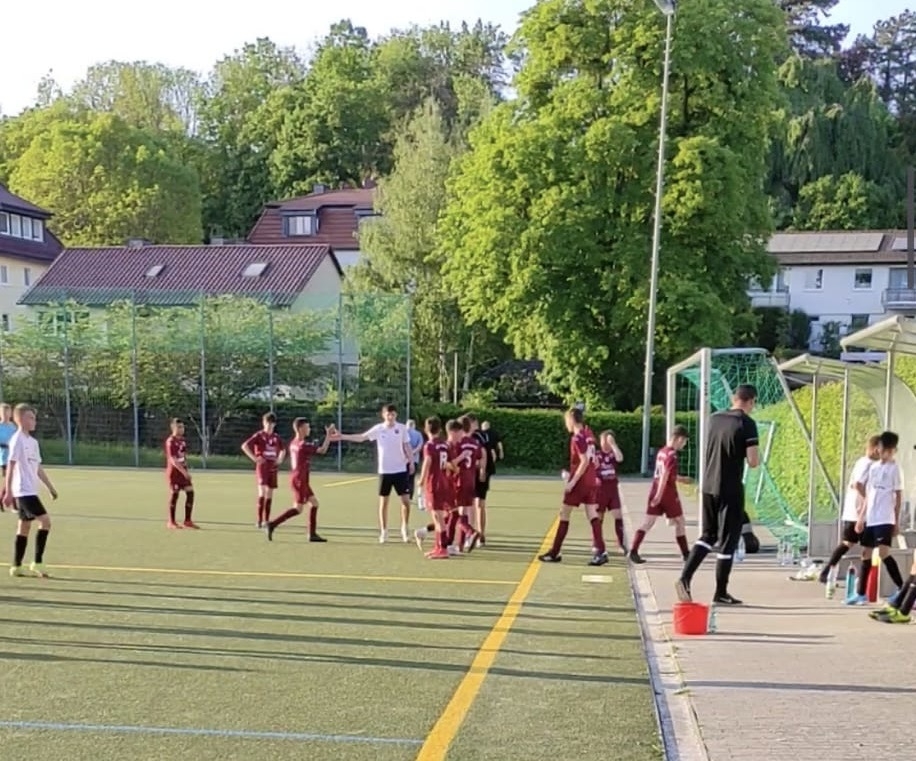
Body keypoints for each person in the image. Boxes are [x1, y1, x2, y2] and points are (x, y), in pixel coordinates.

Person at [676, 385, 760, 605]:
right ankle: (720, 592)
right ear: (751, 401)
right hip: (729, 487)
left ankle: (685, 577)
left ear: (734, 398)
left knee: (708, 535)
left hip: (708, 485)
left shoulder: (714, 419)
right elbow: (753, 461)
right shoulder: (747, 423)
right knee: (727, 541)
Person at [331, 404, 414, 543]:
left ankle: (404, 528)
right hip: (385, 471)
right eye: (388, 414)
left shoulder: (401, 428)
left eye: (393, 414)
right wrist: (342, 436)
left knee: (405, 501)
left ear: (396, 415)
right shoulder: (379, 429)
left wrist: (411, 461)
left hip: (400, 469)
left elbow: (407, 446)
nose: (391, 417)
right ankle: (384, 531)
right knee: (384, 502)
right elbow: (362, 437)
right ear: (383, 415)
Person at [538, 407, 608, 567]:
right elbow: (595, 460)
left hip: (581, 481)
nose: (566, 425)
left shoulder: (577, 438)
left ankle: (555, 552)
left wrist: (572, 481)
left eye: (566, 421)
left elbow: (584, 461)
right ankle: (601, 551)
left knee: (564, 513)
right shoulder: (588, 434)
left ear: (571, 420)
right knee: (592, 514)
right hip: (591, 479)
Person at [845, 430, 904, 606]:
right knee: (866, 553)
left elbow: (898, 496)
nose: (884, 453)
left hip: (885, 518)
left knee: (884, 553)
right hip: (871, 517)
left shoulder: (895, 469)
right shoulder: (874, 467)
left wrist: (896, 521)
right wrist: (861, 517)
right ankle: (861, 594)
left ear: (893, 451)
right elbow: (868, 495)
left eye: (888, 450)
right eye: (882, 449)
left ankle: (902, 589)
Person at [3, 404, 58, 578]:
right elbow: (11, 466)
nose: (34, 421)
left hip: (31, 490)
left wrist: (50, 487)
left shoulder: (33, 442)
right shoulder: (17, 439)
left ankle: (16, 566)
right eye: (30, 418)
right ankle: (37, 562)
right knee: (45, 521)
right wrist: (8, 491)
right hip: (22, 491)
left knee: (24, 526)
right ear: (20, 419)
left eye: (34, 418)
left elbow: (38, 468)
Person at [818, 434, 880, 587]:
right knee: (867, 548)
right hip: (861, 512)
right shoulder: (868, 464)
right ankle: (862, 584)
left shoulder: (862, 462)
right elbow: (858, 485)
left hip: (854, 511)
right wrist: (870, 499)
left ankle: (827, 571)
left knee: (849, 543)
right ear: (875, 449)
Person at [629, 426, 691, 564]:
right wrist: (659, 495)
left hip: (655, 489)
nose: (683, 445)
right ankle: (686, 554)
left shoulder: (662, 452)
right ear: (678, 438)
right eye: (684, 442)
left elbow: (664, 474)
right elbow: (665, 476)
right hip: (667, 493)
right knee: (680, 521)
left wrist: (681, 479)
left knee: (648, 523)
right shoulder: (672, 455)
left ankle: (633, 550)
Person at [267, 418, 333, 543]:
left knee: (314, 503)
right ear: (300, 429)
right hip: (300, 480)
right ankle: (272, 524)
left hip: (298, 478)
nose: (309, 429)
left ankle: (312, 534)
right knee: (298, 509)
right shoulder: (303, 445)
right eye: (307, 427)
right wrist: (328, 436)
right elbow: (323, 450)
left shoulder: (294, 443)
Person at [416, 417, 456, 559]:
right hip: (444, 483)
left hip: (433, 484)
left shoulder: (429, 445)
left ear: (426, 430)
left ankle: (443, 549)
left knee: (438, 517)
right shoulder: (445, 445)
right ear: (440, 430)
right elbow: (452, 465)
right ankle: (438, 547)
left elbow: (427, 461)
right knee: (437, 516)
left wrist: (421, 480)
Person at [241, 412, 285, 528]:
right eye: (267, 423)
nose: (269, 425)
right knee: (262, 492)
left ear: (274, 424)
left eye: (271, 423)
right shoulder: (259, 435)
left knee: (270, 494)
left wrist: (280, 459)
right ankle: (259, 520)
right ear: (263, 423)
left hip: (273, 467)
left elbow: (283, 449)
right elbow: (244, 446)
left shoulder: (276, 437)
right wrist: (255, 458)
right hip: (263, 467)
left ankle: (266, 520)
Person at [594, 430, 625, 554]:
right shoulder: (597, 454)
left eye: (607, 440)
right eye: (603, 440)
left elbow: (620, 459)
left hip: (612, 490)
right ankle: (597, 543)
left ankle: (621, 544)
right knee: (598, 517)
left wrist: (613, 444)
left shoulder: (613, 454)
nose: (604, 443)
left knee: (618, 515)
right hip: (600, 490)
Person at [165, 417, 197, 529]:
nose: (181, 429)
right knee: (175, 494)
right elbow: (173, 459)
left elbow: (182, 456)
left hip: (183, 472)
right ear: (173, 428)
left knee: (190, 492)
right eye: (179, 427)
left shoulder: (182, 441)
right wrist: (183, 472)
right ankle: (171, 522)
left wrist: (186, 468)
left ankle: (188, 521)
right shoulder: (170, 441)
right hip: (174, 473)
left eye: (182, 427)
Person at [467, 414, 491, 546]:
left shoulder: (479, 436)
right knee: (468, 504)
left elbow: (484, 453)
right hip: (469, 473)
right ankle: (470, 533)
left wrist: (482, 469)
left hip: (479, 472)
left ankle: (480, 534)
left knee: (479, 503)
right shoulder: (465, 436)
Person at [406, 419, 425, 509]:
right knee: (411, 479)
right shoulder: (418, 434)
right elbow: (420, 446)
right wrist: (413, 452)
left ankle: (405, 496)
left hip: (404, 460)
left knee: (404, 478)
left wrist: (408, 453)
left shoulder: (404, 433)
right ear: (414, 425)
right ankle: (409, 497)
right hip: (414, 460)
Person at [0, 403, 16, 511]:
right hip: (4, 458)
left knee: (12, 481)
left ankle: (9, 503)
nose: (6, 414)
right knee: (9, 481)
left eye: (8, 412)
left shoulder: (13, 426)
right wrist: (6, 445)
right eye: (3, 412)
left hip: (14, 457)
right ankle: (14, 505)